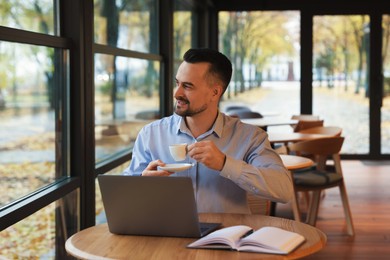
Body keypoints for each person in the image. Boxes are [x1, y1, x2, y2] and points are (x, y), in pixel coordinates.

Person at [123, 48, 293, 214]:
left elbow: (283, 190)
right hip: (165, 236)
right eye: (177, 83)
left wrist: (225, 164)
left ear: (215, 92)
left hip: (225, 237)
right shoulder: (150, 134)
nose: (177, 93)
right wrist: (142, 184)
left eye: (187, 86)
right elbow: (124, 198)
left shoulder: (250, 137)